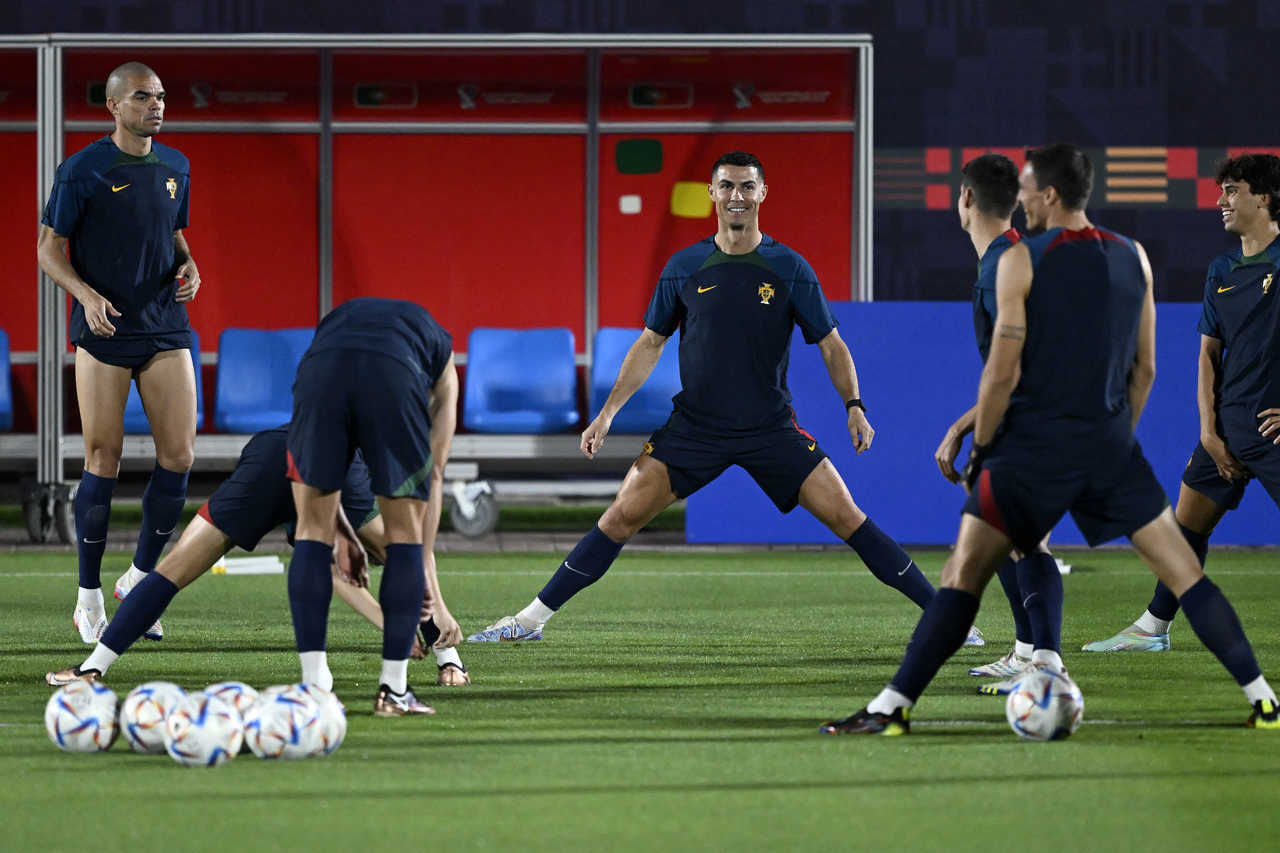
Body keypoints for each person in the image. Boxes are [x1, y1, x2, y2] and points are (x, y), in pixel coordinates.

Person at [820, 143, 1279, 735]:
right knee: (1186, 573)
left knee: (962, 575)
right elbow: (1146, 370)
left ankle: (891, 709)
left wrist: (983, 445)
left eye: (1029, 187)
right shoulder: (1131, 255)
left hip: (1030, 449)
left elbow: (1003, 370)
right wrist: (1116, 436)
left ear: (1051, 195)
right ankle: (1264, 700)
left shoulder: (1019, 260)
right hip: (1108, 445)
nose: (1021, 198)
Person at [468, 150, 983, 648]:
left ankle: (948, 620)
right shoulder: (683, 266)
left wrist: (854, 405)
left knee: (849, 517)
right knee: (619, 517)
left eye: (747, 186)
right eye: (728, 186)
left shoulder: (790, 268)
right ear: (713, 193)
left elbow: (831, 344)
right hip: (695, 428)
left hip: (770, 430)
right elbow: (650, 344)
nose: (737, 195)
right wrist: (606, 415)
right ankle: (530, 620)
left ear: (763, 193)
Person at [45, 426, 468, 690]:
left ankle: (91, 668)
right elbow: (398, 558)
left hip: (268, 454)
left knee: (171, 571)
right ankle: (449, 660)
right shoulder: (385, 465)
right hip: (315, 465)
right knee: (401, 553)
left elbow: (337, 573)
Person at [1083, 152, 1280, 653]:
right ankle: (1153, 629)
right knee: (1184, 528)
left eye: (1233, 190)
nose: (1222, 201)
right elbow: (1208, 355)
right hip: (1227, 428)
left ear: (1264, 197)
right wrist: (1208, 432)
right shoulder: (1222, 269)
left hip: (1273, 429)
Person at [37, 61, 199, 645]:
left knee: (179, 457)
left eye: (159, 95)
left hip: (164, 326)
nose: (155, 104)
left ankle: (138, 580)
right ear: (113, 106)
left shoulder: (176, 165)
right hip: (103, 332)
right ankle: (87, 598)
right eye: (142, 97)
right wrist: (84, 294)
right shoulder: (82, 171)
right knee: (102, 457)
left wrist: (189, 263)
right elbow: (48, 249)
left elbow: (172, 232)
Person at [935, 153, 1071, 692]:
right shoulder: (1006, 258)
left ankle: (1047, 662)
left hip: (1033, 424)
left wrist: (967, 430)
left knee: (1025, 542)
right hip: (1035, 417)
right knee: (1011, 538)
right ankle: (1028, 652)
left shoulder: (1004, 266)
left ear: (965, 198)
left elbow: (1022, 368)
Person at [287, 297, 458, 717]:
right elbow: (433, 473)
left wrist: (340, 529)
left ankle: (313, 689)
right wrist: (424, 574)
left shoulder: (341, 321)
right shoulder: (444, 361)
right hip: (392, 375)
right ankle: (394, 692)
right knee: (403, 534)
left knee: (311, 530)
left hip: (318, 371)